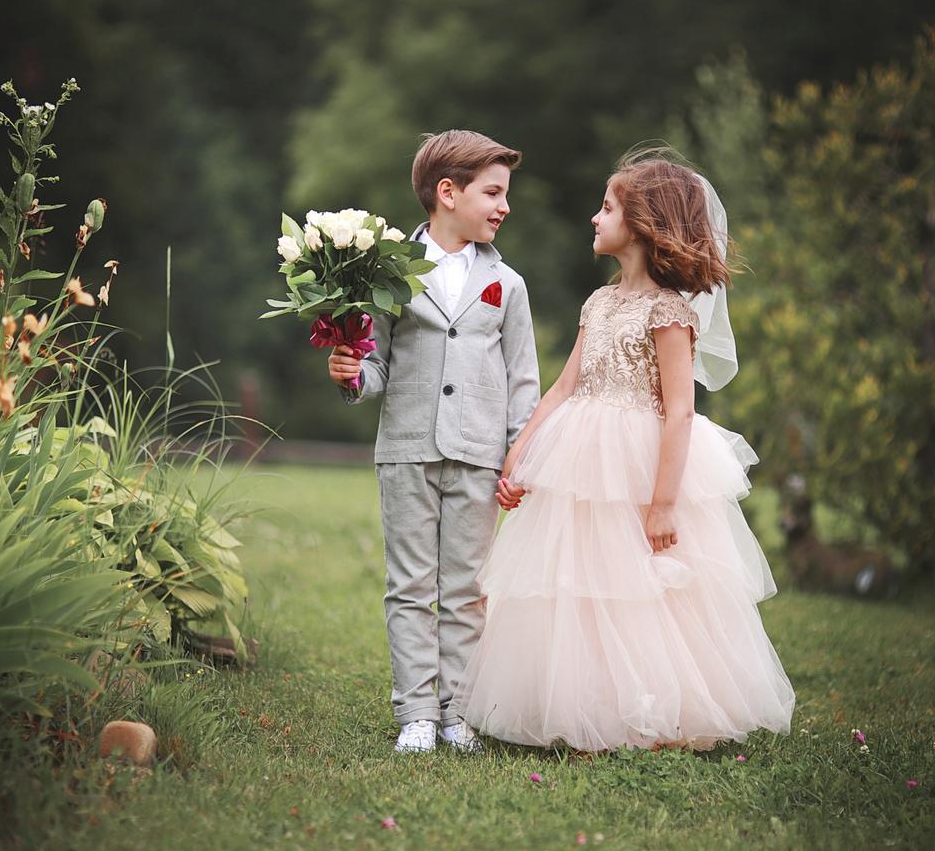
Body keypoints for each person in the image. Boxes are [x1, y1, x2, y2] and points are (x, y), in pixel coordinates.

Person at [452, 149, 794, 751]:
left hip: (639, 461)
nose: (594, 217)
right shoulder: (600, 301)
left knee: (642, 587)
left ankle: (655, 707)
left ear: (640, 223)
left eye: (606, 207)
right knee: (576, 581)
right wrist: (520, 455)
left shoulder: (669, 312)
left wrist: (663, 503)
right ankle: (581, 703)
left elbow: (682, 411)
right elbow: (563, 387)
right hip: (579, 456)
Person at [327, 130, 540, 753]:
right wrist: (350, 375)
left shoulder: (511, 286)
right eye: (493, 193)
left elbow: (522, 378)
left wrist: (515, 455)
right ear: (448, 193)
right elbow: (376, 367)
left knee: (467, 590)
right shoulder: (389, 276)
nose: (504, 207)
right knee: (410, 586)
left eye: (505, 194)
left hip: (478, 456)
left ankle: (460, 711)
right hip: (406, 449)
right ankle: (417, 711)